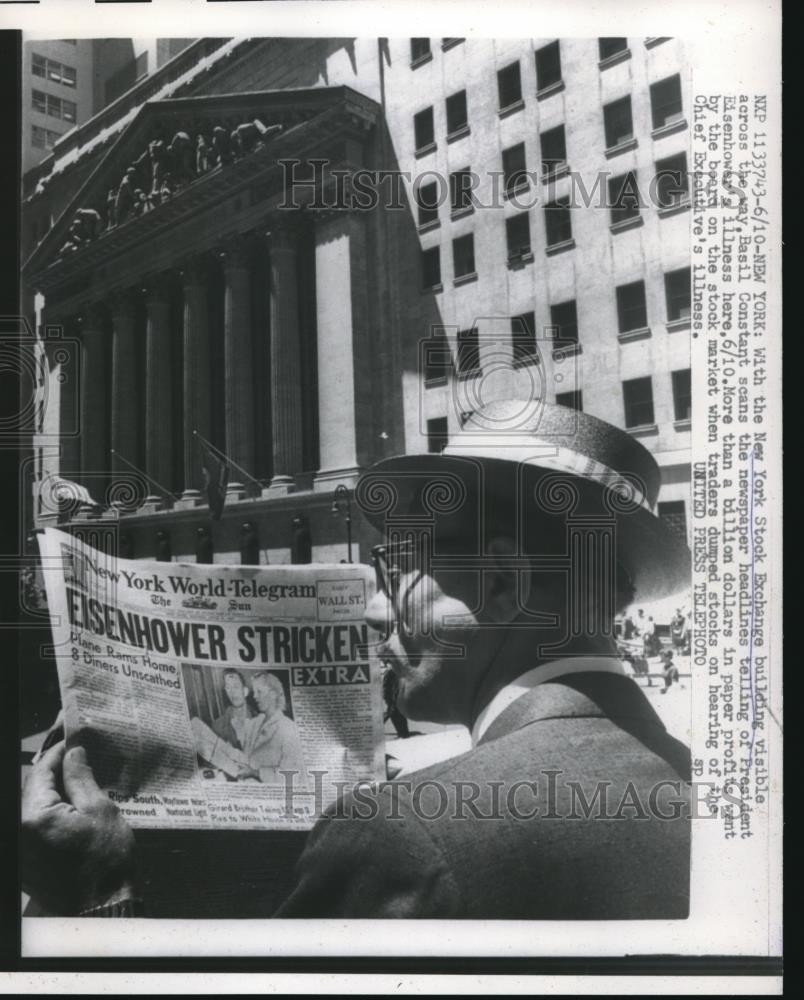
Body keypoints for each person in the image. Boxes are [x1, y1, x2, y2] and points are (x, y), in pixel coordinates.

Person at [22, 400, 692, 919]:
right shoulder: (715, 799)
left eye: (400, 565)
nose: (379, 607)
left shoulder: (398, 833)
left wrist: (104, 889)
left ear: (500, 583)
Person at [236, 672, 305, 784]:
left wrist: (255, 773)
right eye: (254, 692)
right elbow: (247, 755)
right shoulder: (254, 722)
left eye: (259, 692)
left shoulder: (289, 728)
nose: (254, 697)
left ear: (273, 694)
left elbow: (291, 776)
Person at [210, 668, 255, 752]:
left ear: (245, 691)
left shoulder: (261, 720)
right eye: (228, 687)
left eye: (236, 686)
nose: (232, 692)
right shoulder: (218, 726)